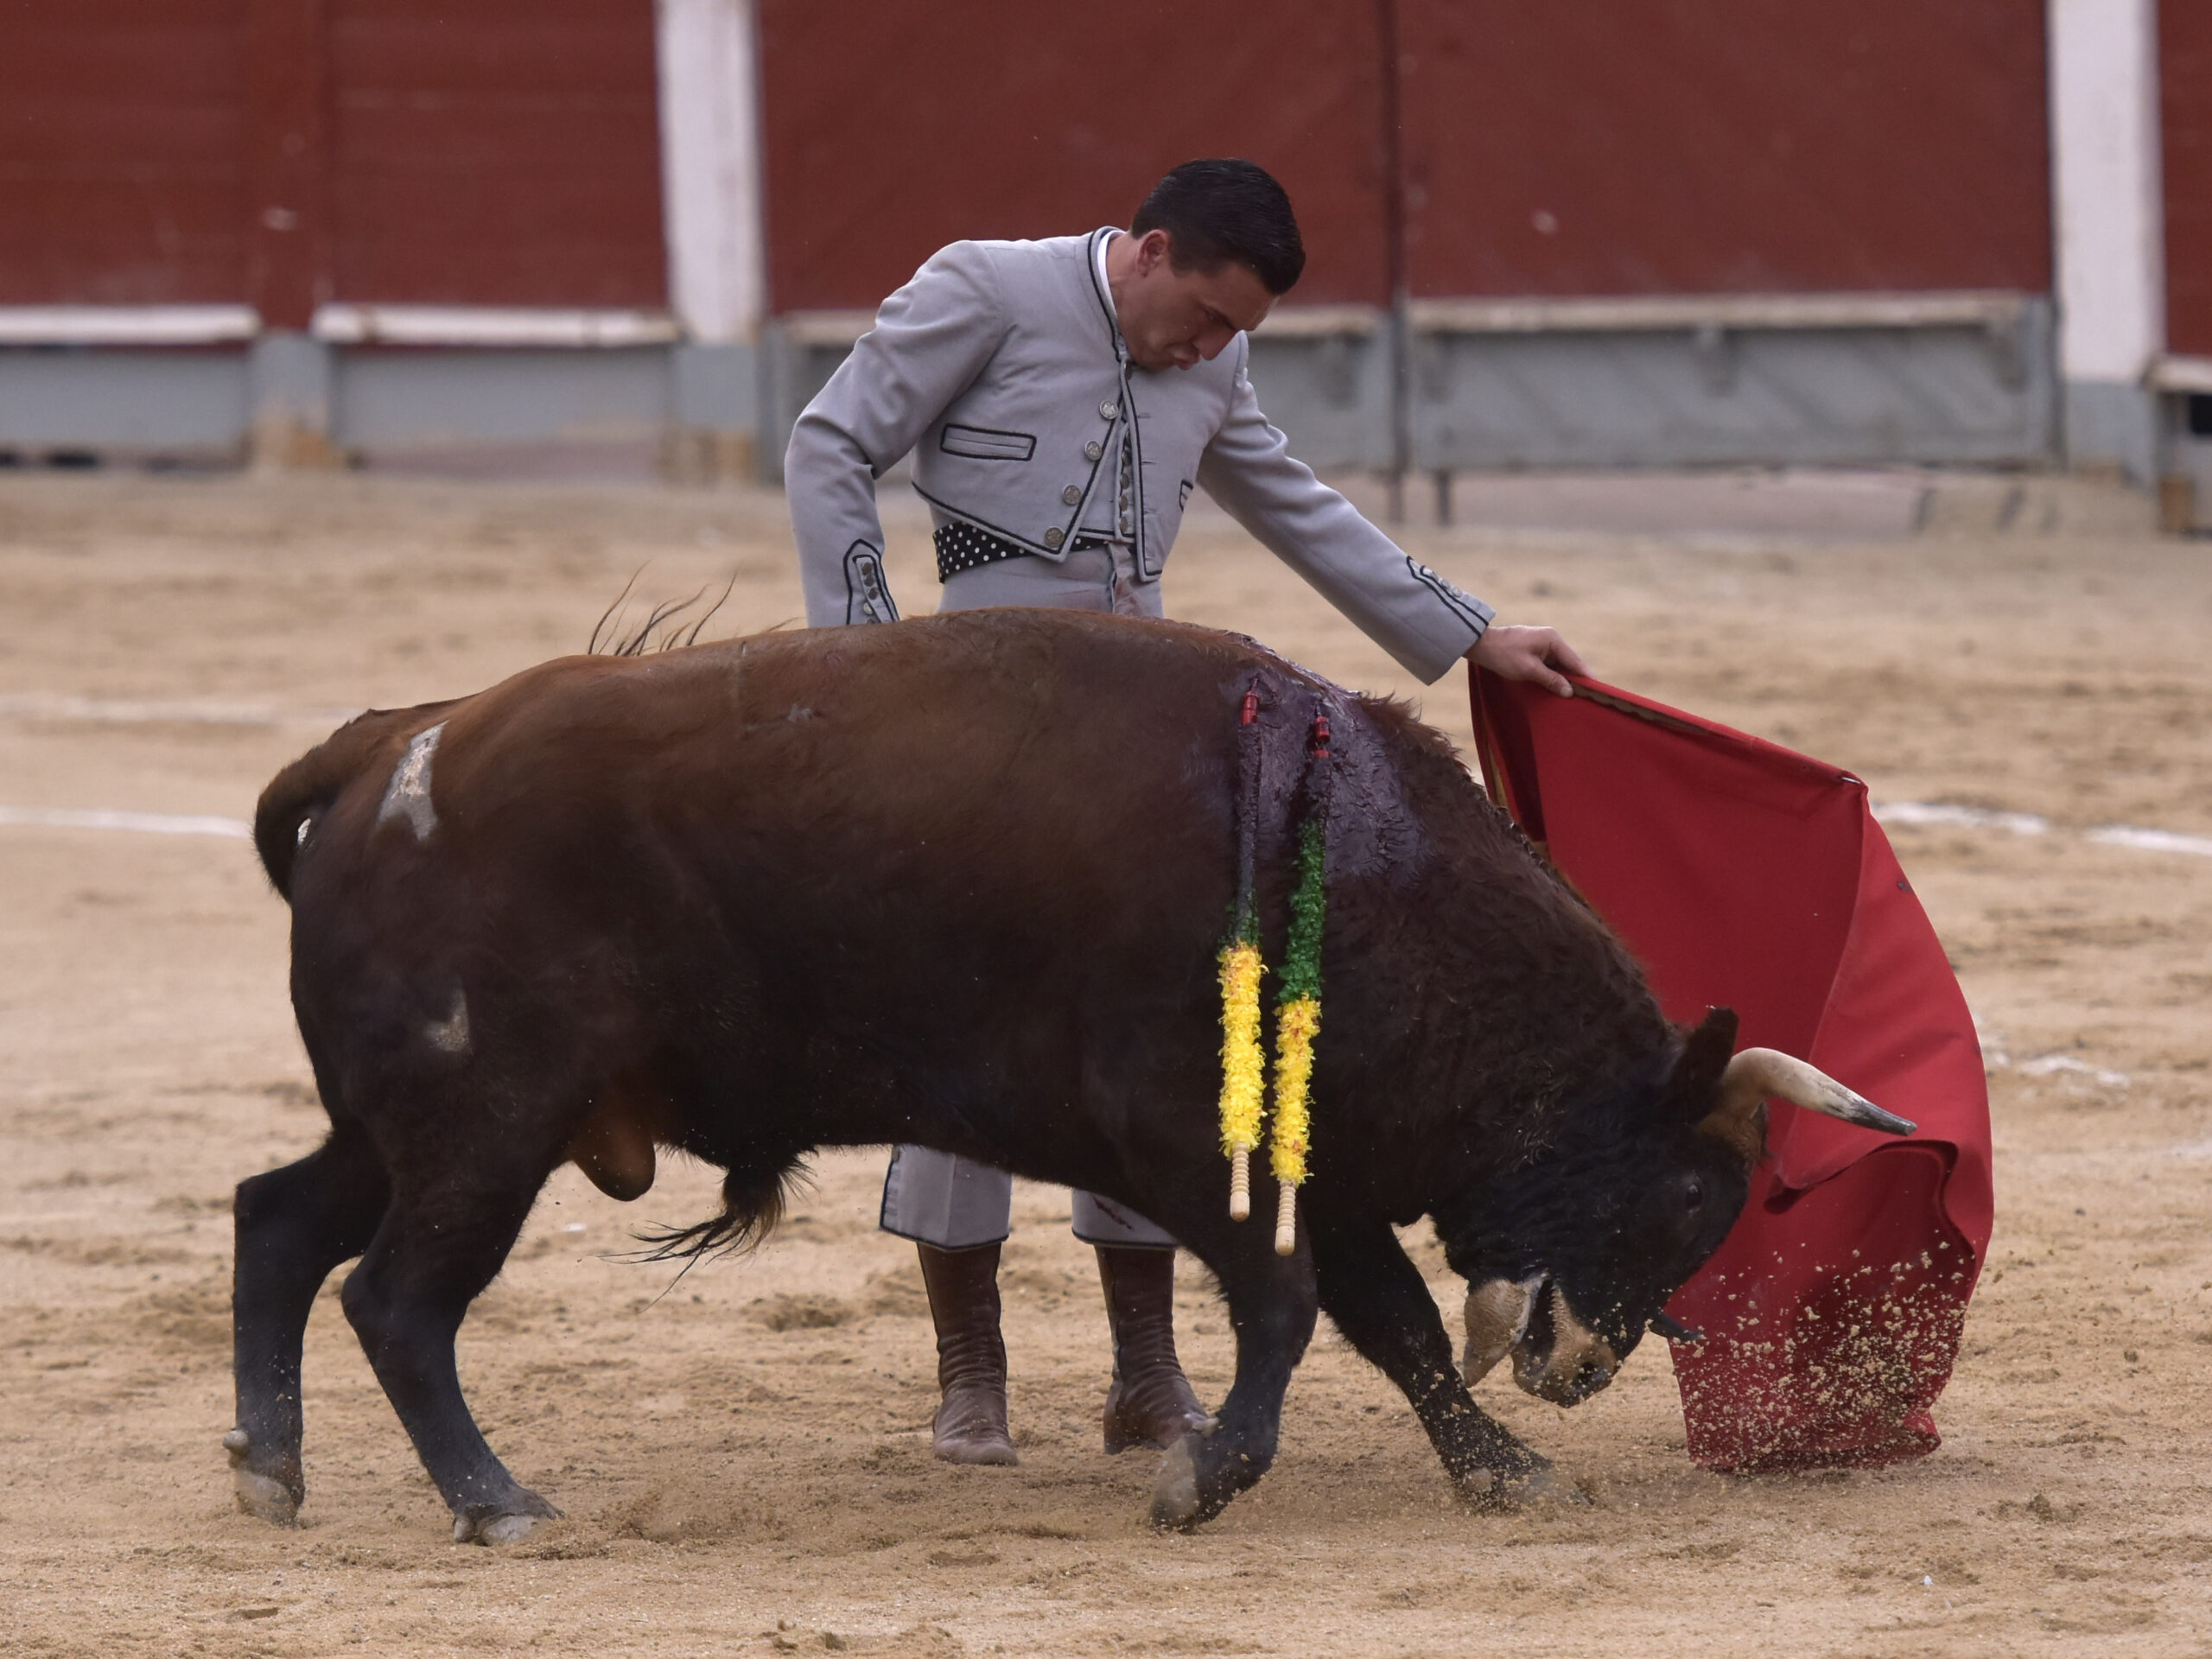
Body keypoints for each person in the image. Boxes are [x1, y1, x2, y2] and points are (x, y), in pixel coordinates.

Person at [786, 158, 1586, 1467]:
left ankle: (1147, 1375)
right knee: (962, 1016)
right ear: (1151, 251)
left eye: (1235, 335)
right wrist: (866, 657)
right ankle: (971, 1375)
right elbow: (829, 443)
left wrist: (1470, 630)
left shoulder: (1215, 357)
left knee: (1161, 1028)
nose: (1211, 351)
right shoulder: (985, 288)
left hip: (1146, 730)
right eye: (1207, 318)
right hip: (972, 708)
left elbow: (1291, 501)